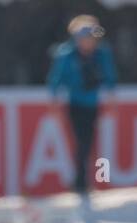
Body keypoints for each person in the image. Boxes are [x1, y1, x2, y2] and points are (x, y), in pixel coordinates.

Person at [48, 15, 117, 196]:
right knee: (82, 142)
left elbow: (110, 77)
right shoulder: (66, 55)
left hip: (93, 105)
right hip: (75, 104)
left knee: (88, 142)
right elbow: (56, 79)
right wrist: (54, 101)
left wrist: (111, 98)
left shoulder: (102, 54)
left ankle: (81, 182)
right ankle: (80, 183)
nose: (88, 43)